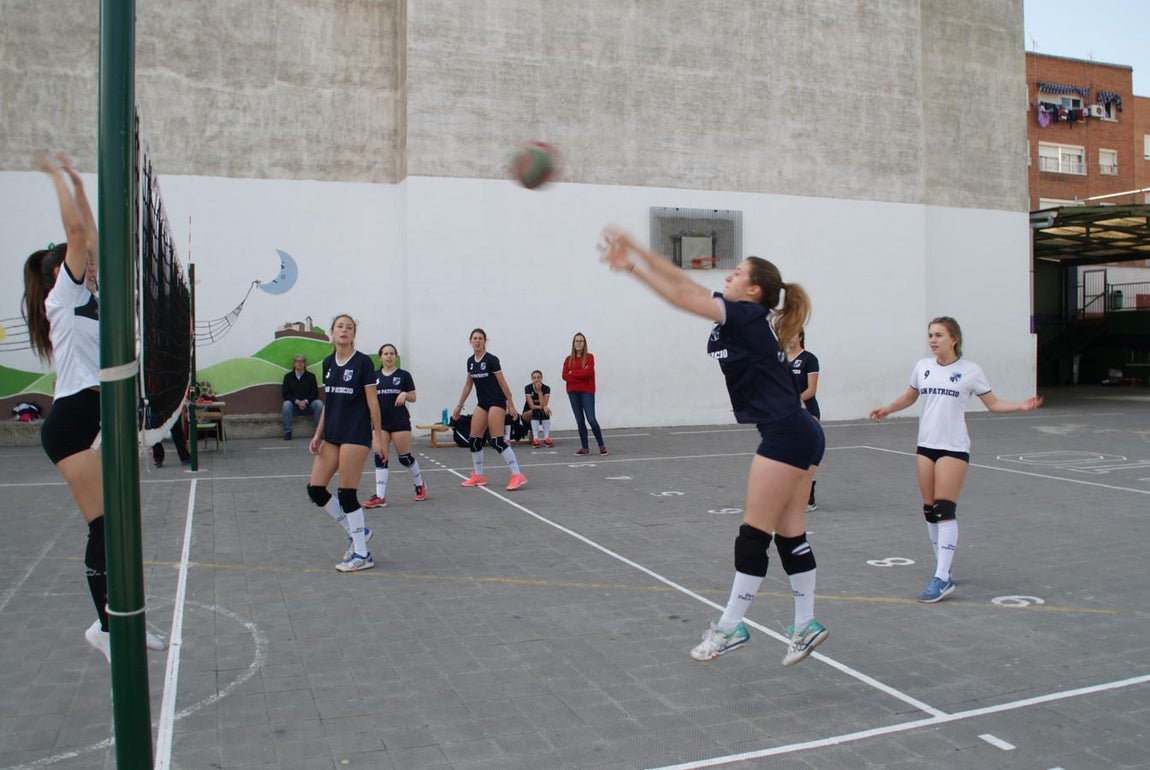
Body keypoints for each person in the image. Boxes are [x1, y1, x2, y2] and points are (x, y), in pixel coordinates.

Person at [600, 226, 827, 666]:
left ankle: (729, 628)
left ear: (753, 289)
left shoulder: (743, 316)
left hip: (785, 433)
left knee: (752, 536)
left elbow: (681, 298)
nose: (729, 276)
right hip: (800, 431)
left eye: (737, 272)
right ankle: (805, 626)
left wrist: (631, 267)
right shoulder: (744, 315)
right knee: (790, 533)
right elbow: (684, 284)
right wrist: (637, 253)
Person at [22, 151, 165, 660]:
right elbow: (79, 240)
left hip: (93, 419)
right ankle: (105, 627)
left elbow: (93, 241)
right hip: (71, 425)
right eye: (77, 263)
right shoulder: (61, 297)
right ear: (62, 270)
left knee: (120, 525)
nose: (89, 265)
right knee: (104, 526)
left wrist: (82, 187)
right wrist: (57, 180)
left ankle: (124, 619)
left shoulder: (93, 299)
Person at [869, 316, 1043, 603]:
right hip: (926, 445)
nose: (933, 340)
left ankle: (940, 577)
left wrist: (1019, 406)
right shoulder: (922, 368)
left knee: (944, 508)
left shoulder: (970, 371)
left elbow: (993, 403)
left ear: (954, 339)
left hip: (953, 448)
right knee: (929, 509)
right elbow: (910, 396)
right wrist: (888, 408)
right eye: (930, 335)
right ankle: (944, 570)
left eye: (938, 335)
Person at [305, 314, 384, 572]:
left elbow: (373, 402)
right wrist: (318, 434)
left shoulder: (363, 363)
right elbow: (330, 402)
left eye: (349, 327)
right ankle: (357, 531)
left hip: (356, 433)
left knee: (347, 493)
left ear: (353, 334)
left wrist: (377, 435)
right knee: (316, 489)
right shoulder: (328, 362)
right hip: (332, 433)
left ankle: (362, 553)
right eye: (340, 326)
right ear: (332, 332)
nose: (344, 330)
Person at [450, 328, 528, 491]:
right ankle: (478, 475)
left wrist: (511, 404)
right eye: (475, 338)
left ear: (485, 341)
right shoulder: (470, 361)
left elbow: (502, 383)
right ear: (470, 341)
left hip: (497, 402)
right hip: (483, 403)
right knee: (474, 440)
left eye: (480, 338)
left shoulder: (492, 360)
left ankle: (517, 475)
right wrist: (459, 405)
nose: (477, 341)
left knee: (497, 441)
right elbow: (468, 384)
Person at [363, 343, 427, 508]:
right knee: (380, 456)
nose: (389, 356)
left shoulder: (404, 375)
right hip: (380, 423)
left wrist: (405, 394)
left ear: (396, 357)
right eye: (386, 354)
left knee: (405, 458)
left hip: (399, 421)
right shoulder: (373, 376)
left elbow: (413, 397)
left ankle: (419, 485)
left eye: (392, 354)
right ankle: (380, 496)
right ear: (380, 357)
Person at [785, 329, 820, 511]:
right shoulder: (781, 358)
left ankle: (809, 496)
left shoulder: (809, 359)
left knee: (807, 453)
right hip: (787, 412)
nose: (789, 337)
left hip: (808, 410)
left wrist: (795, 400)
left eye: (792, 333)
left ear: (799, 336)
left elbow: (811, 390)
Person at [562, 332, 607, 455]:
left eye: (581, 341)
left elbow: (588, 373)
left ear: (584, 343)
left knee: (591, 419)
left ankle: (601, 445)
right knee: (580, 420)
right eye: (576, 341)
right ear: (573, 343)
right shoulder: (568, 359)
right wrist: (579, 373)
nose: (578, 343)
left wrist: (573, 373)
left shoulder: (590, 357)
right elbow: (564, 376)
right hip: (573, 393)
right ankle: (585, 447)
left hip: (587, 392)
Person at [282, 354, 323, 440]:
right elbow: (286, 394)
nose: (299, 363)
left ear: (305, 363)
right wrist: (297, 401)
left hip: (308, 405)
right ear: (294, 363)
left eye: (302, 361)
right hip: (294, 406)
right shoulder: (288, 377)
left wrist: (305, 401)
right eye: (297, 361)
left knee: (319, 404)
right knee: (286, 405)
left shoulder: (311, 376)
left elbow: (314, 393)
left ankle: (317, 432)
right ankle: (287, 432)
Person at [522, 369, 553, 448]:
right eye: (534, 377)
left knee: (545, 411)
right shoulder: (528, 388)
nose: (536, 379)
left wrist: (539, 391)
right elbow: (532, 406)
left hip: (540, 414)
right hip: (527, 414)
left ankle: (546, 438)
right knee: (537, 410)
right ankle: (536, 439)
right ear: (532, 379)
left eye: (538, 377)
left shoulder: (546, 388)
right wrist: (544, 407)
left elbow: (544, 404)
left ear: (541, 378)